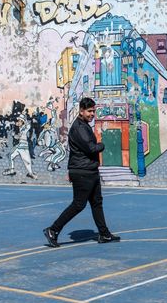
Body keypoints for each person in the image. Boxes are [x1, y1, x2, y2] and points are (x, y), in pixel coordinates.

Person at [44, 97, 119, 247]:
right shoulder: (79, 127)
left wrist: (70, 169)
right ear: (81, 111)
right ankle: (53, 229)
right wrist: (102, 145)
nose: (92, 114)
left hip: (88, 169)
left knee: (97, 203)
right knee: (78, 204)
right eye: (90, 111)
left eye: (94, 111)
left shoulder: (83, 126)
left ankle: (104, 234)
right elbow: (91, 148)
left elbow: (75, 152)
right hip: (83, 172)